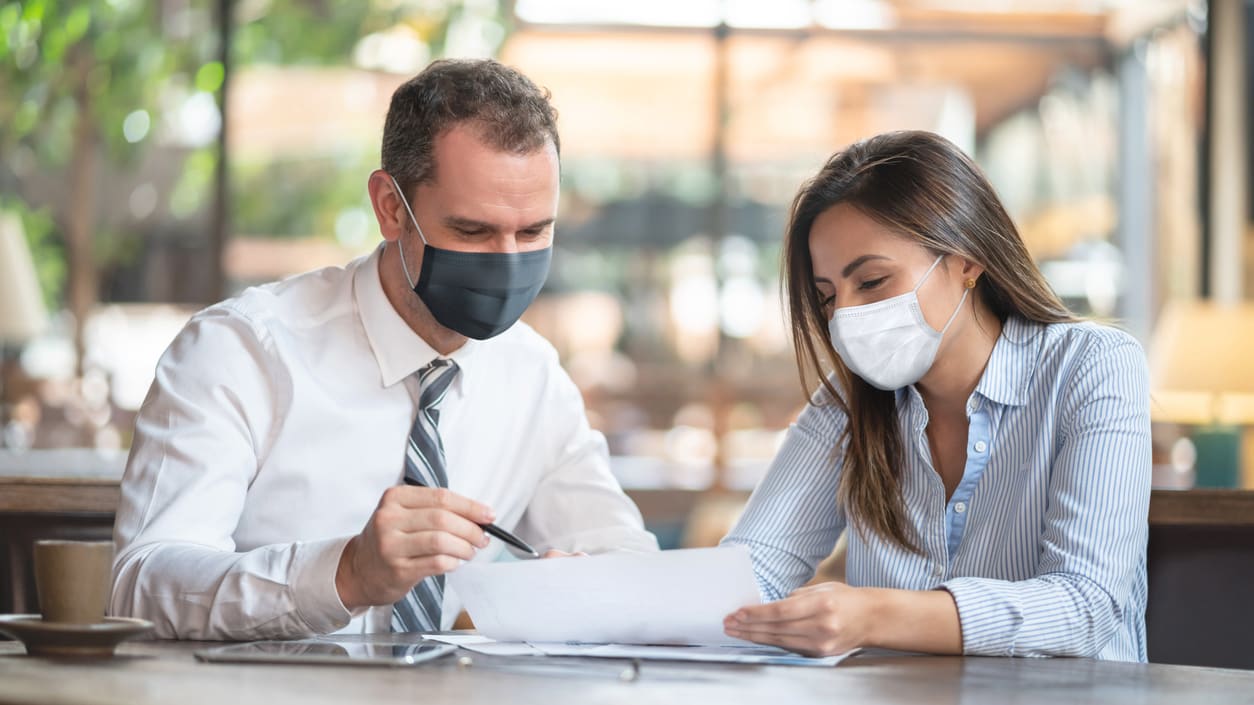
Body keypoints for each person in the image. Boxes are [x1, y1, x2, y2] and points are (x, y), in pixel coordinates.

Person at [110, 59, 658, 640]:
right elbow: (140, 587)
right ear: (391, 208)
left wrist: (591, 584)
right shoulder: (241, 352)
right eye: (472, 231)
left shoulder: (531, 375)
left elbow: (624, 554)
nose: (507, 260)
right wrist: (344, 574)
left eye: (533, 232)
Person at [721, 130, 1150, 662]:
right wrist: (606, 595)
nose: (847, 316)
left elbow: (1083, 606)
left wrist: (873, 615)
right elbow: (752, 571)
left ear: (966, 259)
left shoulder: (1092, 366)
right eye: (828, 296)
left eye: (873, 281)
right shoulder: (846, 403)